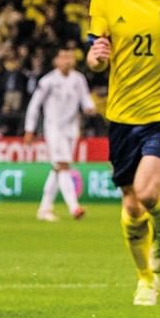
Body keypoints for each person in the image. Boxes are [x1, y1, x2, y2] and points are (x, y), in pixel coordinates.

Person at [85, 0, 160, 306]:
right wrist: (96, 59)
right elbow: (96, 57)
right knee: (131, 204)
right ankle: (145, 278)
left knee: (148, 192)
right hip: (123, 116)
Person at [24, 45, 96, 222]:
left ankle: (44, 208)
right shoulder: (48, 81)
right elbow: (34, 105)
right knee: (64, 165)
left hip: (72, 129)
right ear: (56, 61)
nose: (67, 61)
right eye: (64, 57)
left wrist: (89, 107)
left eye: (70, 57)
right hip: (54, 128)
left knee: (58, 168)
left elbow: (85, 97)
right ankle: (74, 207)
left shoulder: (78, 79)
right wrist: (29, 129)